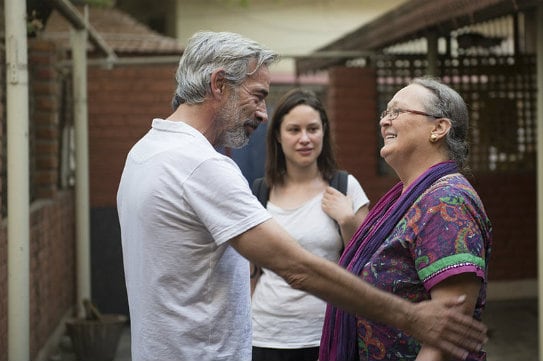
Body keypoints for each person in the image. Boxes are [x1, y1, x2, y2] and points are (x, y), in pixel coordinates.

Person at [116, 31, 487, 361]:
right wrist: (409, 317)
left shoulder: (143, 153)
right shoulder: (200, 165)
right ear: (218, 85)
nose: (263, 114)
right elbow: (295, 266)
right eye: (259, 96)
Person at [320, 77, 493, 361]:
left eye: (397, 112)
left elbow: (448, 334)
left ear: (438, 128)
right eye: (385, 113)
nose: (385, 121)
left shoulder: (446, 202)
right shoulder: (408, 198)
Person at [249, 88, 370, 361]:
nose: (305, 138)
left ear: (323, 132)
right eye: (294, 130)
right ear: (278, 136)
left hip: (328, 334)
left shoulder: (345, 187)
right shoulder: (260, 192)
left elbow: (368, 266)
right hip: (266, 335)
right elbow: (251, 273)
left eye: (313, 129)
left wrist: (347, 221)